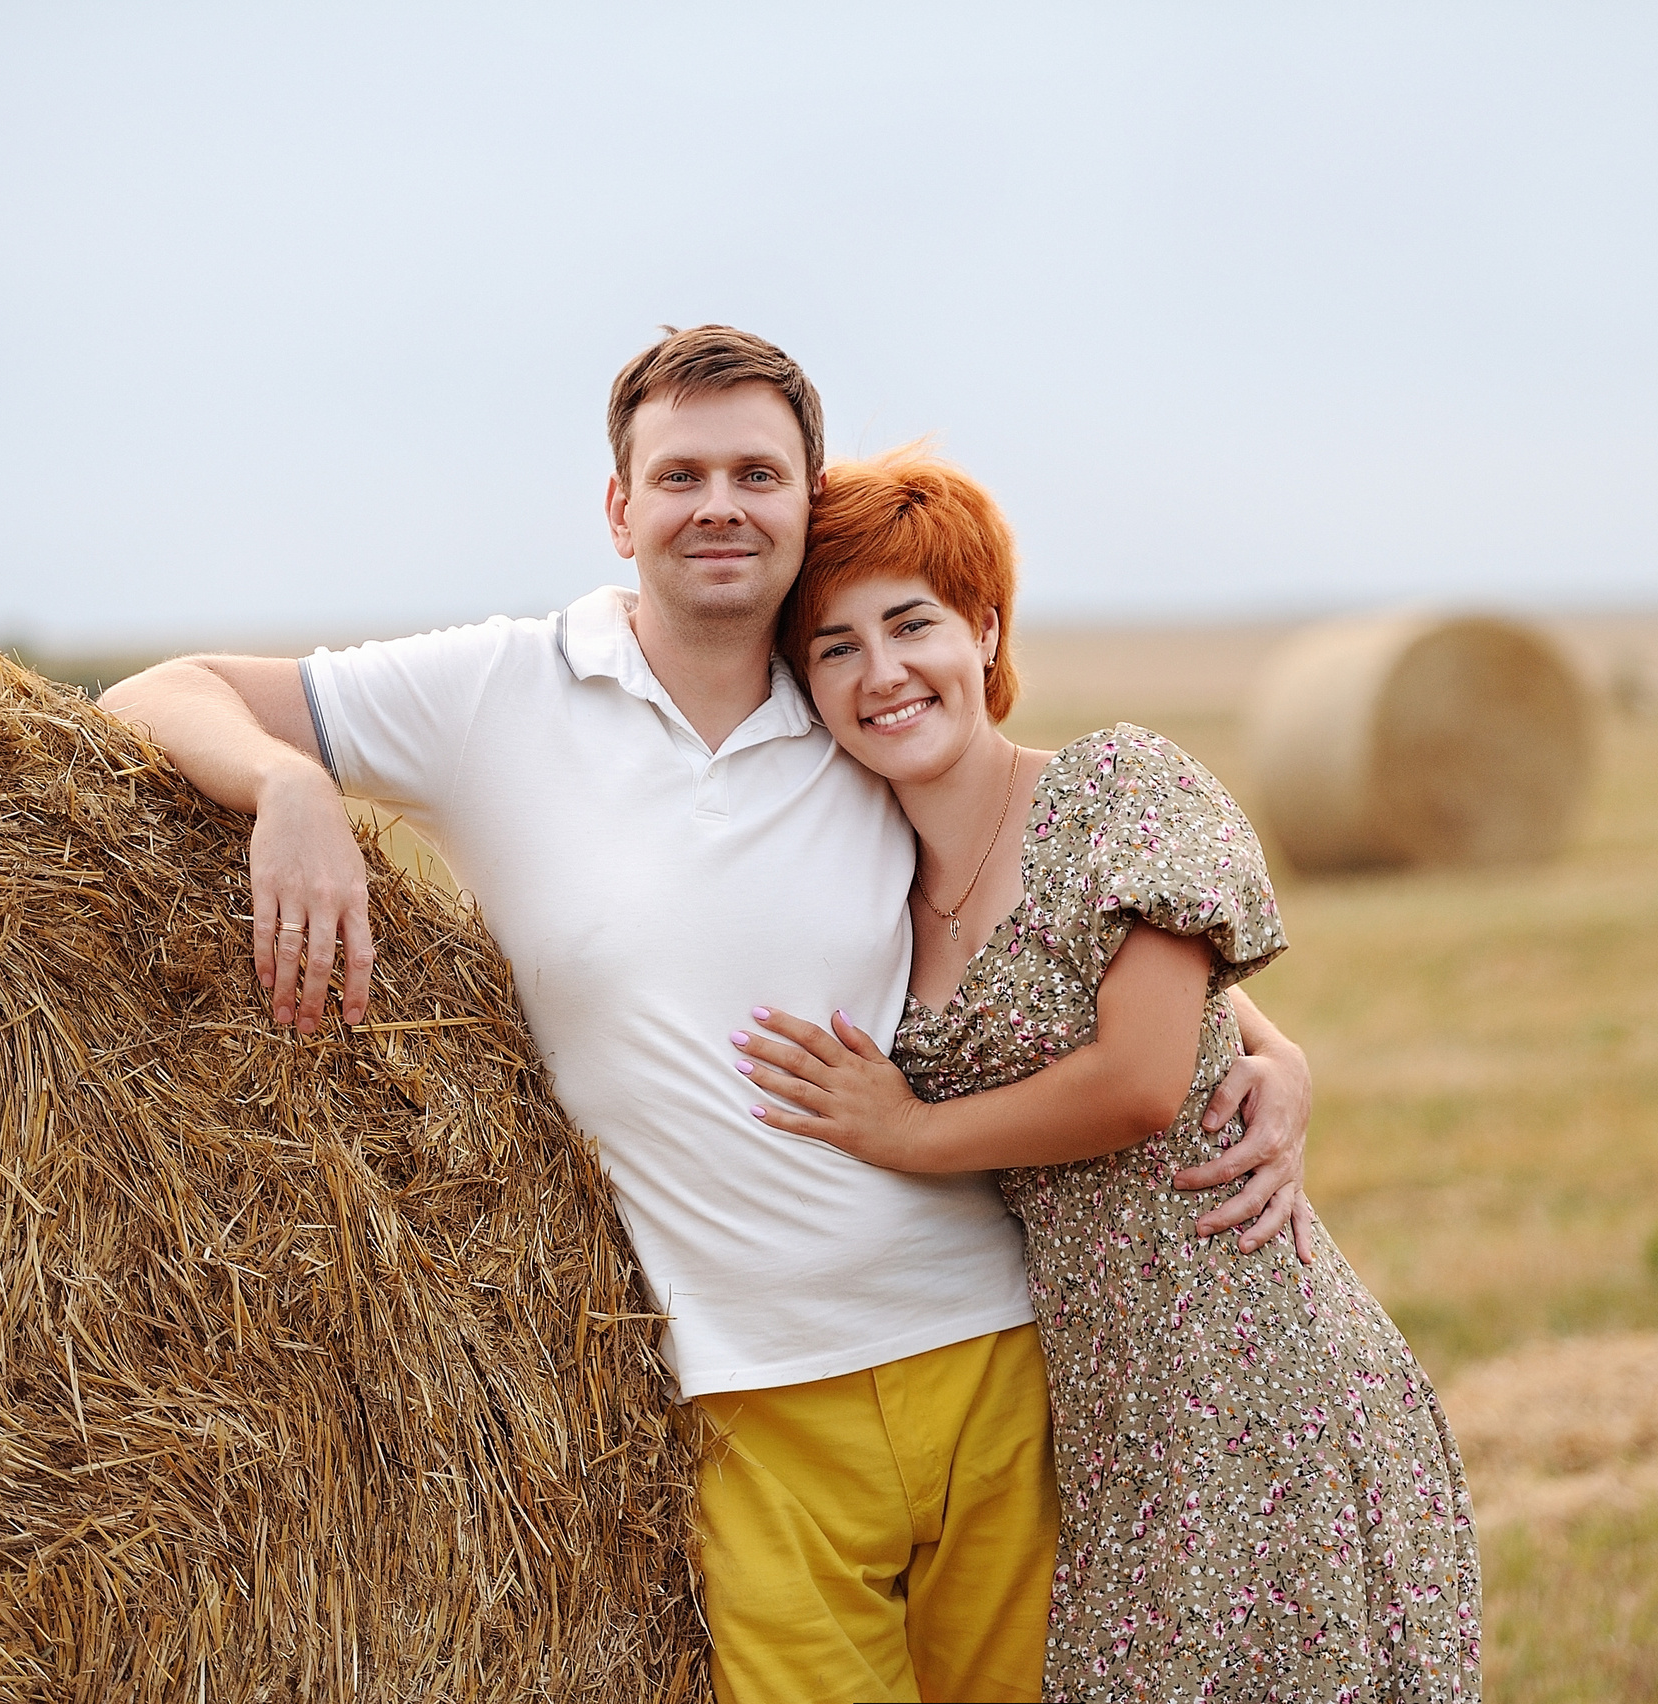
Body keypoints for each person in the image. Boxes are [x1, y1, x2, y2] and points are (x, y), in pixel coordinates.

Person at [98, 326, 1320, 1704]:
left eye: (758, 474)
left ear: (805, 505)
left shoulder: (858, 702)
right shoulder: (495, 693)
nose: (720, 506)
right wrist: (291, 786)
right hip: (753, 1404)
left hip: (995, 1351)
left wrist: (1268, 1049)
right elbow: (157, 693)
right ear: (620, 508)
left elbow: (1049, 911)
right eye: (682, 476)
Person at [730, 448, 1482, 1701]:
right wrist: (1275, 1048)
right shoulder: (869, 883)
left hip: (1250, 1361)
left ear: (983, 630)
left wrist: (908, 1132)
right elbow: (1194, 1013)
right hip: (1099, 1405)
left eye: (911, 624)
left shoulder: (1116, 792)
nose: (883, 673)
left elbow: (1141, 1077)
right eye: (836, 647)